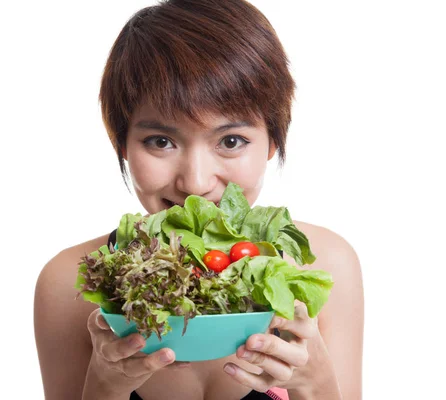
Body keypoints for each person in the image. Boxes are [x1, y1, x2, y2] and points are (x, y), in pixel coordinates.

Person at [34, 1, 364, 399]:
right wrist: (104, 387)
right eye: (161, 141)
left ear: (273, 141)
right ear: (120, 142)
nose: (195, 182)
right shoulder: (67, 283)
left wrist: (315, 384)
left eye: (230, 141)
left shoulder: (326, 266)